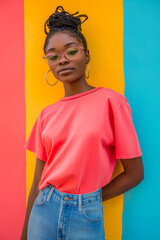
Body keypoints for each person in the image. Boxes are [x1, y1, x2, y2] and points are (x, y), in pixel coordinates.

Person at [20, 5, 144, 240]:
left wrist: (89, 200)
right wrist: (24, 233)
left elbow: (135, 174)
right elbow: (38, 181)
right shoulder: (47, 114)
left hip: (85, 216)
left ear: (86, 55)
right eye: (53, 56)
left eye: (71, 51)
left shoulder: (111, 102)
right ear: (48, 63)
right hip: (43, 210)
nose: (62, 60)